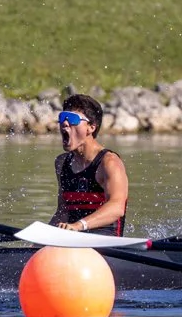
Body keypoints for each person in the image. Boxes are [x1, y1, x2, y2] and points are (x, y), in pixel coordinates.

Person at [49, 94, 129, 235]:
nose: (65, 123)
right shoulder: (61, 163)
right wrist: (43, 237)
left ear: (91, 127)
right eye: (63, 117)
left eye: (72, 119)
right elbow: (63, 211)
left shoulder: (109, 163)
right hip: (73, 240)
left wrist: (78, 226)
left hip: (107, 245)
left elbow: (117, 207)